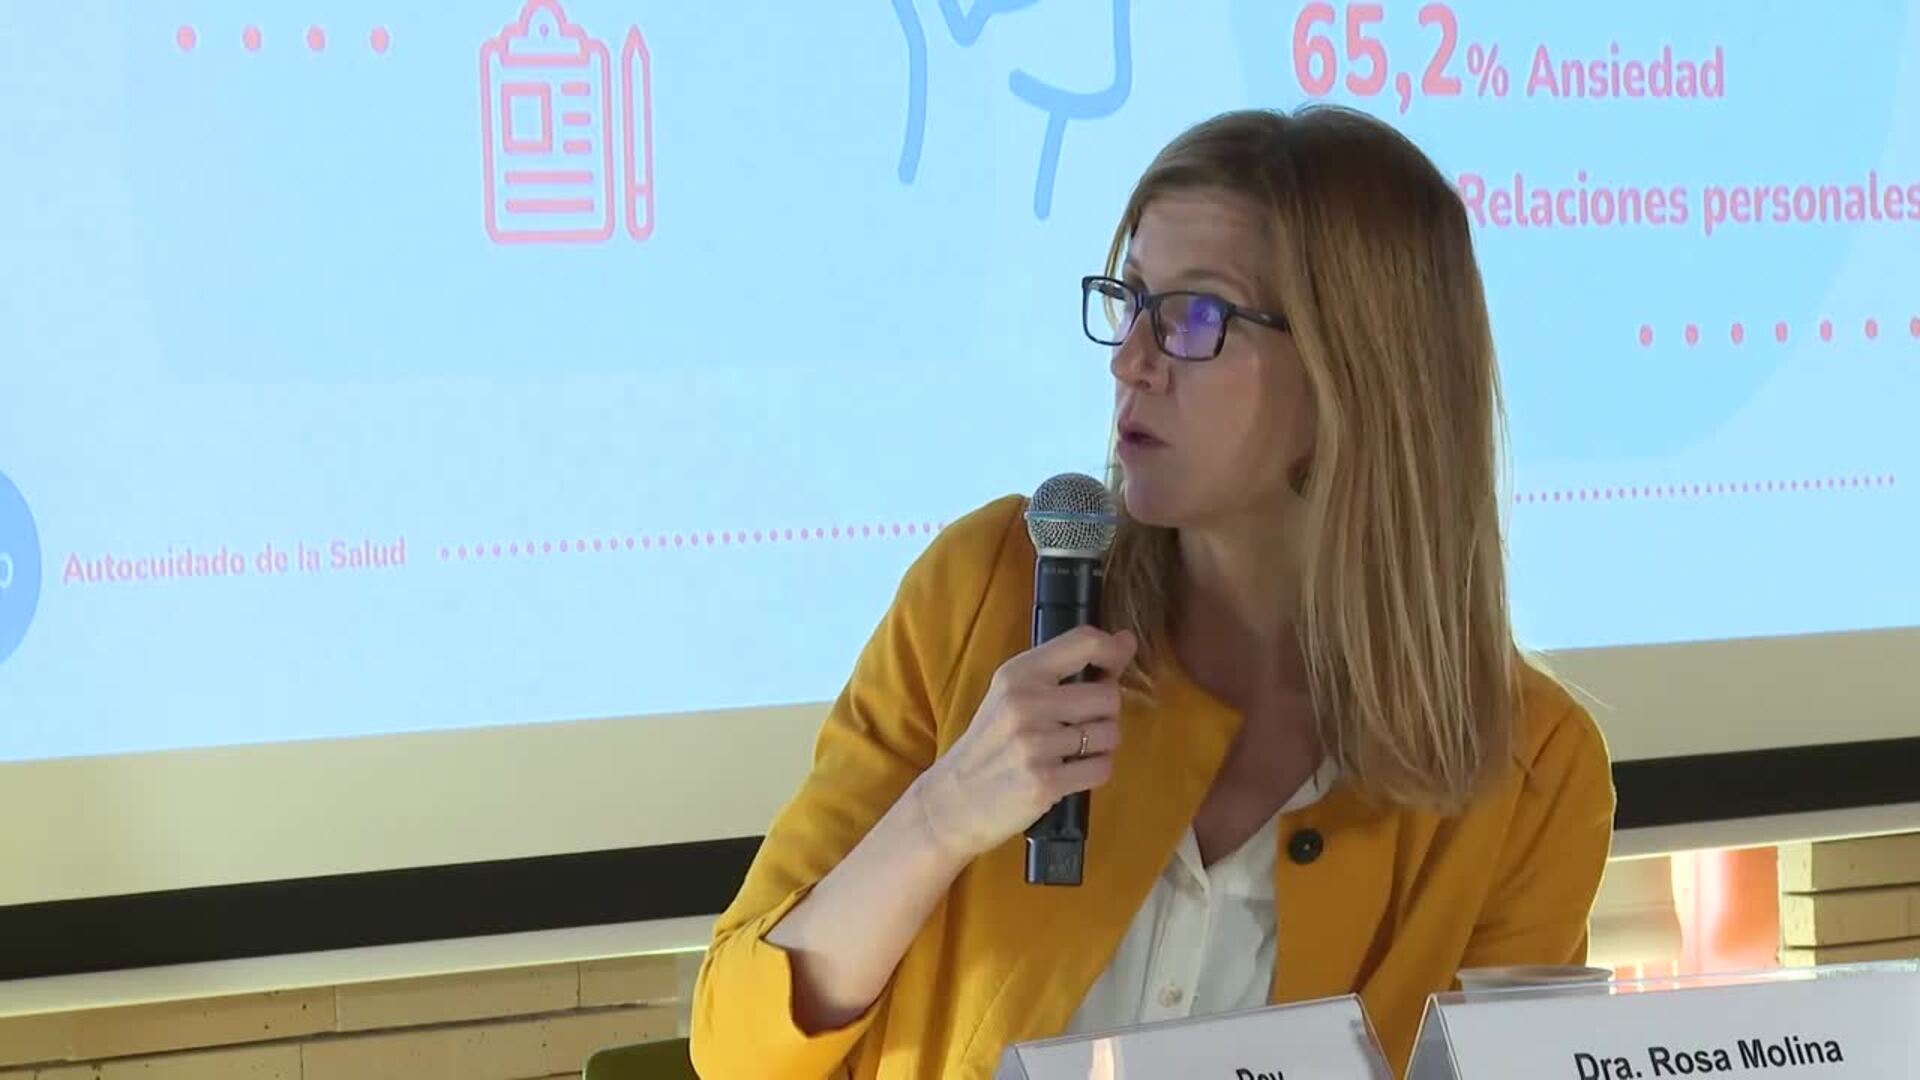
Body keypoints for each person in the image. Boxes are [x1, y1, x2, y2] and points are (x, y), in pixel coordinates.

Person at [690, 105, 1615, 1079]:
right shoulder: (987, 593)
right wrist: (942, 816)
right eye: (1130, 301)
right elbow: (733, 1048)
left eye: (1196, 317)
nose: (1131, 360)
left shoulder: (1529, 772)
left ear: (1358, 368)